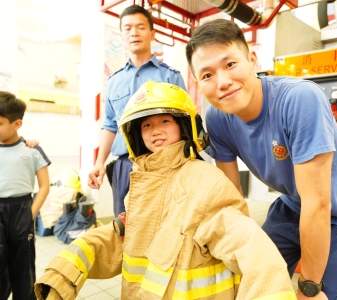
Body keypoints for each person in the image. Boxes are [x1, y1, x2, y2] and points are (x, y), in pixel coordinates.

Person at [34, 81, 296, 300]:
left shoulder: (206, 181)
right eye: (146, 125)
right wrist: (61, 274)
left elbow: (252, 248)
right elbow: (128, 238)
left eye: (164, 120)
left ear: (184, 126)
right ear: (135, 135)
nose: (155, 130)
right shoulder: (144, 179)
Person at [185, 19, 337, 300]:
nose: (223, 82)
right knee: (248, 279)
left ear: (252, 60)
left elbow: (318, 203)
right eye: (207, 75)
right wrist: (239, 252)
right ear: (198, 83)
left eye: (230, 64)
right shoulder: (217, 119)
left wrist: (310, 284)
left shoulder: (299, 100)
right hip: (292, 206)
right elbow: (231, 198)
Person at [88, 5, 186, 217]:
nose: (134, 32)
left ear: (152, 33)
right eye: (128, 28)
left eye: (140, 27)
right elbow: (110, 124)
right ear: (122, 35)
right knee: (125, 227)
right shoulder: (114, 81)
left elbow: (186, 123)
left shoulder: (171, 77)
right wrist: (99, 162)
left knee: (167, 224)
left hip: (164, 164)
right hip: (125, 167)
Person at [0, 91, 51, 300]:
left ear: (17, 124)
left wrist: (30, 214)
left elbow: (45, 185)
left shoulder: (31, 149)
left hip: (22, 208)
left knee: (23, 266)